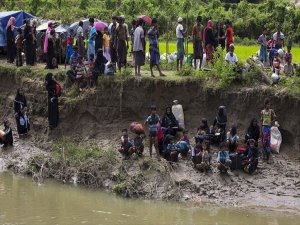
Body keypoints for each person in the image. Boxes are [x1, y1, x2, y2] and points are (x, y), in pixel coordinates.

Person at [261, 98, 276, 163]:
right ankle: (264, 156)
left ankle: (268, 156)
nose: (268, 105)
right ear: (265, 105)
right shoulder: (262, 111)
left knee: (268, 141)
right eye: (267, 104)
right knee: (263, 141)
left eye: (269, 104)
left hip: (268, 128)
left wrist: (271, 122)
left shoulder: (271, 111)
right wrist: (260, 130)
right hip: (264, 127)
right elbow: (261, 121)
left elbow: (275, 117)